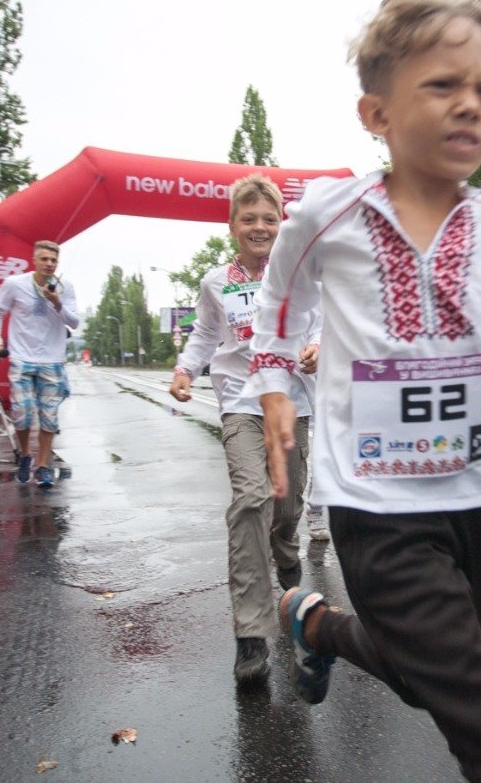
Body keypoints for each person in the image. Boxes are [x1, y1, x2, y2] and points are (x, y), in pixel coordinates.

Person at [249, 0, 481, 779]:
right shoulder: (326, 215)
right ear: (375, 113)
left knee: (426, 680)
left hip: (470, 498)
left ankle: (317, 626)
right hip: (373, 505)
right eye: (444, 86)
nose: (470, 107)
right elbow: (279, 310)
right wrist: (275, 382)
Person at [169, 174, 320, 685]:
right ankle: (251, 632)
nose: (260, 227)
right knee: (251, 498)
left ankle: (286, 553)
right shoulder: (217, 281)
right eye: (249, 218)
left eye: (269, 219)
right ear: (233, 225)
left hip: (292, 403)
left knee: (287, 503)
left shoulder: (301, 273)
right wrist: (185, 370)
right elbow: (206, 333)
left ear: (282, 225)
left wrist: (317, 347)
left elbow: (319, 321)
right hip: (239, 401)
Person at [0, 240, 79, 489]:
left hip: (52, 360)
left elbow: (75, 322)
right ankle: (26, 454)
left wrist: (57, 302)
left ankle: (43, 465)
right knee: (23, 414)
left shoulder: (65, 287)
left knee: (49, 417)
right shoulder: (15, 285)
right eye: (45, 259)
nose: (49, 264)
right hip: (22, 358)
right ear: (35, 260)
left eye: (53, 260)